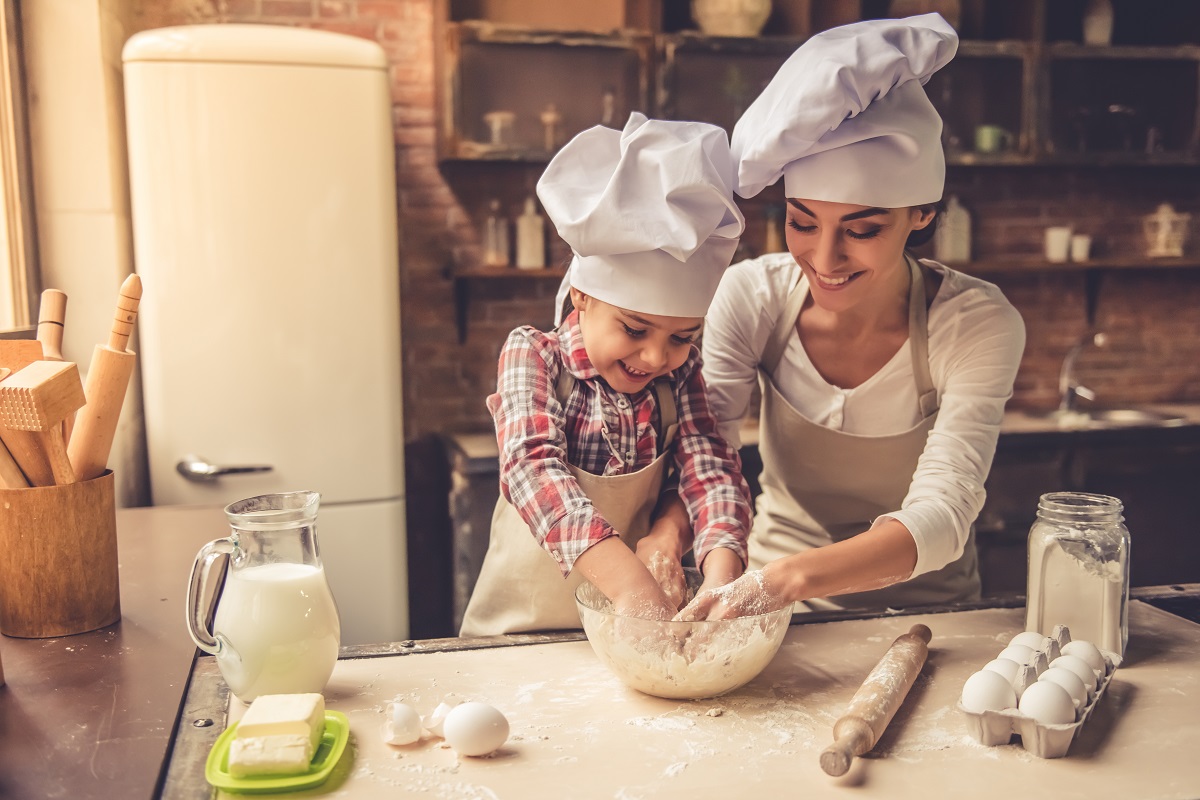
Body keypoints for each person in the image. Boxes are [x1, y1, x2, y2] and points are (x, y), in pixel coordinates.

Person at [675, 14, 1027, 620]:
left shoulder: (972, 322)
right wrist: (721, 575)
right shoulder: (753, 297)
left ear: (920, 214)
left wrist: (783, 580)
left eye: (862, 229)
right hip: (768, 613)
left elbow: (943, 512)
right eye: (802, 222)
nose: (824, 258)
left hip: (933, 619)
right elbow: (709, 459)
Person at [459, 112, 753, 636]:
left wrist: (721, 574)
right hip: (523, 636)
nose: (658, 358)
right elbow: (534, 469)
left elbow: (710, 467)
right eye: (635, 329)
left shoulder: (679, 377)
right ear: (582, 295)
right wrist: (632, 588)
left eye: (681, 337)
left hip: (634, 633)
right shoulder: (535, 355)